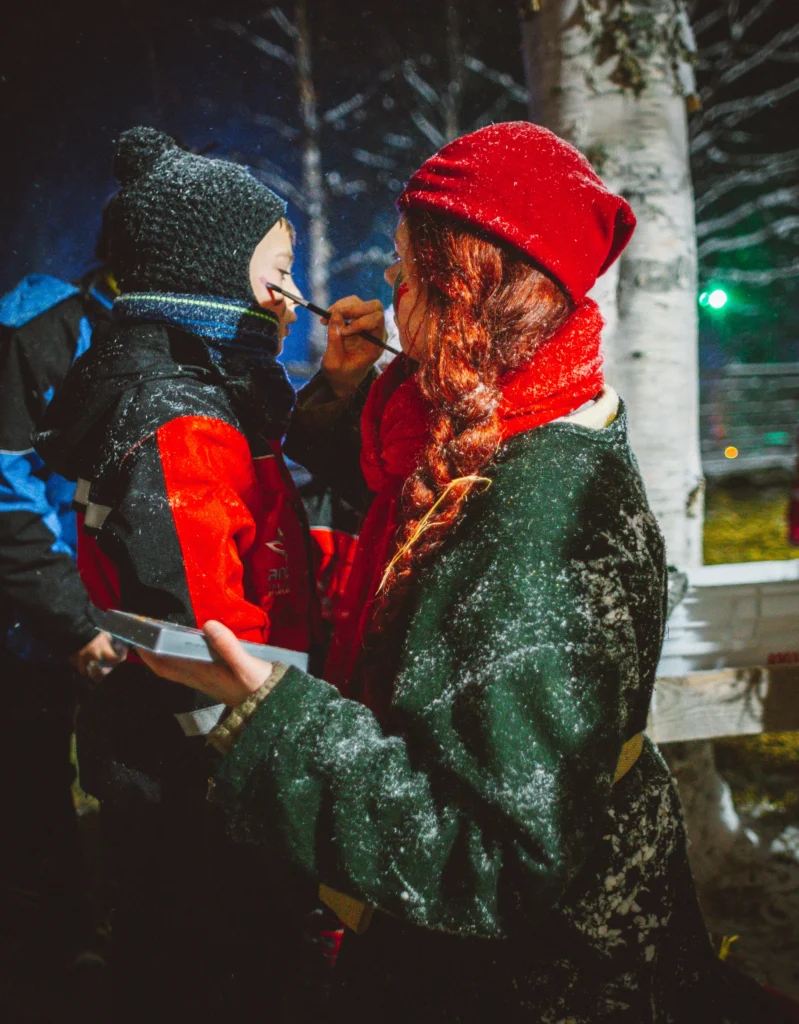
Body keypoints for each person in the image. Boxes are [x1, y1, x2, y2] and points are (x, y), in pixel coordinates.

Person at [140, 122, 787, 1023]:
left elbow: (491, 857)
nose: (387, 285)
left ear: (467, 290)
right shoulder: (524, 409)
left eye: (407, 268)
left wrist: (273, 718)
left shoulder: (544, 527)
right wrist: (345, 387)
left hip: (531, 982)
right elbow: (408, 483)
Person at [34, 126, 382, 1022]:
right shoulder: (183, 425)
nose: (295, 301)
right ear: (211, 276)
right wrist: (286, 768)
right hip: (207, 781)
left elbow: (261, 542)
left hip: (194, 765)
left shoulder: (201, 396)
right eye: (280, 275)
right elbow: (208, 637)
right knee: (218, 972)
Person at [0, 259, 124, 992]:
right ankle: (48, 960)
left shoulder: (133, 328)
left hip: (79, 608)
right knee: (32, 785)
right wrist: (72, 620)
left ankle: (83, 933)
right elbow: (7, 489)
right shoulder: (44, 330)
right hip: (29, 623)